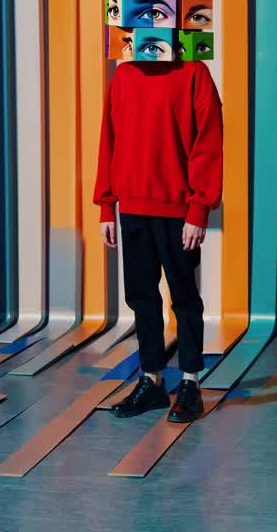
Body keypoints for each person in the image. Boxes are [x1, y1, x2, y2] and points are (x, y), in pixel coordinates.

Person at [94, 59, 223, 423]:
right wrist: (107, 205)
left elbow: (209, 142)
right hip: (132, 205)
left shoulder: (194, 73)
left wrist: (198, 209)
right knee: (141, 296)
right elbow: (109, 137)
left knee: (184, 297)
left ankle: (190, 384)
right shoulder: (124, 73)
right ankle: (151, 380)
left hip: (177, 207)